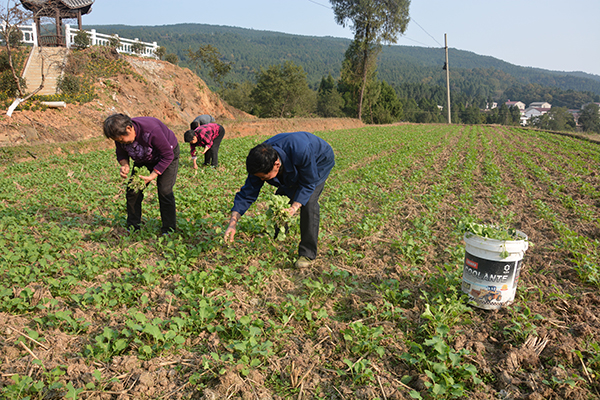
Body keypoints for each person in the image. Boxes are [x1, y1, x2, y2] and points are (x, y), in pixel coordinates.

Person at [224, 131, 335, 268]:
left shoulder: (301, 151)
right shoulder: (260, 161)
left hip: (319, 160)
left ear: (277, 165)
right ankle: (278, 234)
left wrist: (294, 208)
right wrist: (232, 222)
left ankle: (307, 253)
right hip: (293, 160)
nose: (261, 181)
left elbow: (308, 184)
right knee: (281, 198)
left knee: (309, 203)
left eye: (264, 178)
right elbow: (247, 192)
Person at [103, 113, 179, 234]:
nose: (121, 142)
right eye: (117, 141)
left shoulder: (151, 131)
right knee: (133, 191)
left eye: (121, 139)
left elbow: (168, 155)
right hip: (143, 158)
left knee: (165, 190)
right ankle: (133, 227)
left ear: (129, 128)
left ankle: (168, 229)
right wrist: (125, 165)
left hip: (166, 155)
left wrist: (152, 176)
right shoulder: (119, 135)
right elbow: (121, 153)